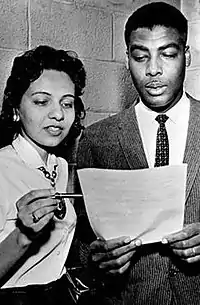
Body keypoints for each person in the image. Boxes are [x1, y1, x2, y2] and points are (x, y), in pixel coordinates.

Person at [76, 2, 200, 304]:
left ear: (186, 56)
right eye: (140, 56)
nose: (153, 69)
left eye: (168, 55)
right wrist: (98, 258)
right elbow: (82, 238)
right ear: (128, 60)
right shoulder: (97, 139)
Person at [0, 45, 87, 304]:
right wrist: (23, 236)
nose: (58, 114)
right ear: (16, 108)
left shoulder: (60, 167)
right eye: (41, 101)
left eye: (67, 103)